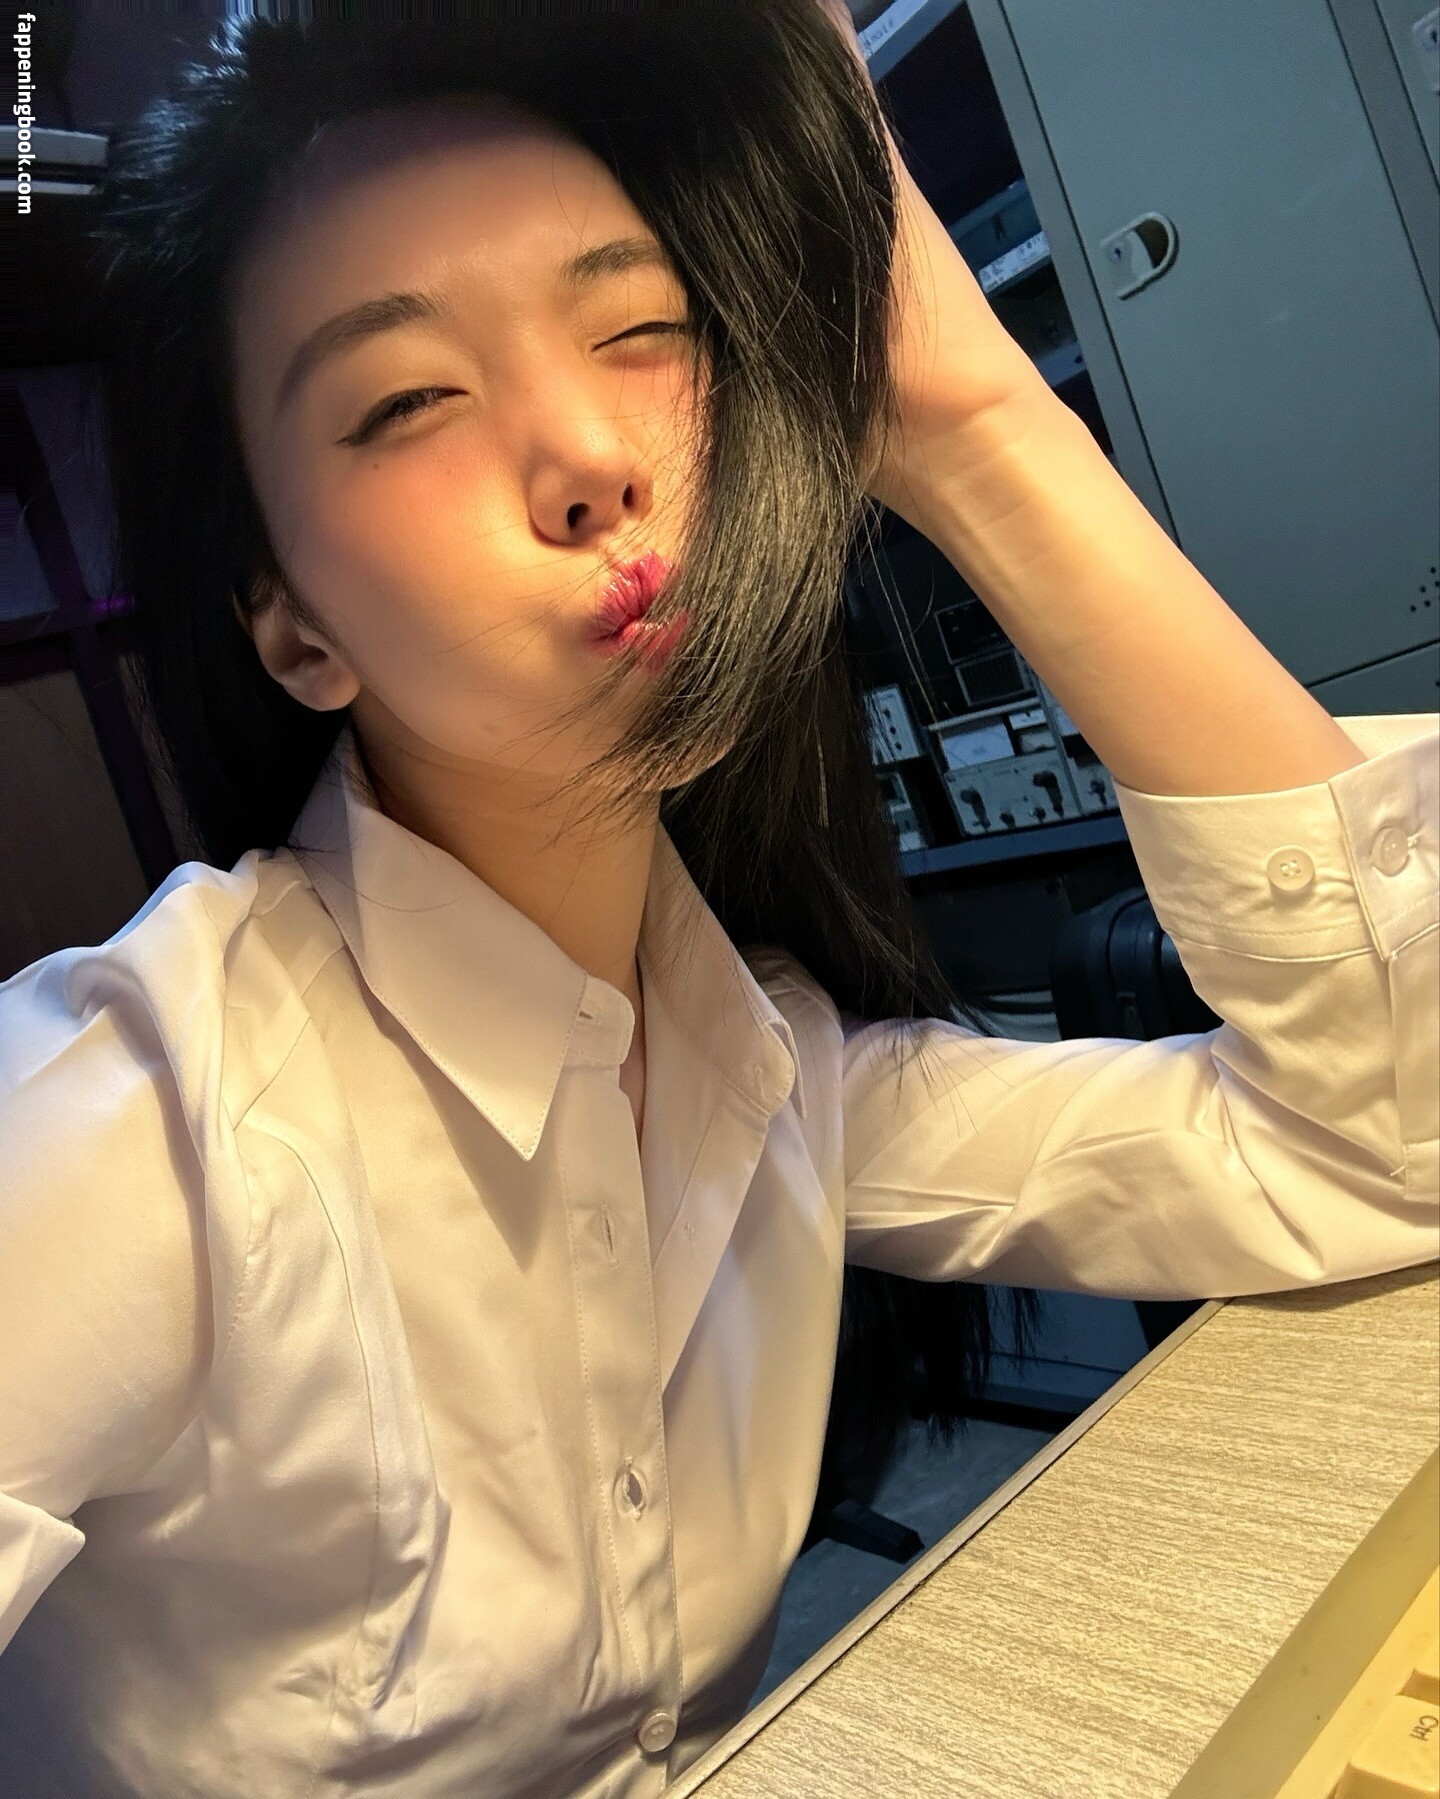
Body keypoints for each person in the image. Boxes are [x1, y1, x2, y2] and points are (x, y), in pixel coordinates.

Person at [0, 4, 1434, 1795]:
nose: (591, 456)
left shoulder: (772, 1068)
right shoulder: (136, 1124)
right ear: (292, 628)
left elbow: (1385, 1146)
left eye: (643, 332)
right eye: (410, 399)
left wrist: (971, 425)